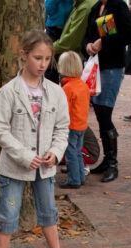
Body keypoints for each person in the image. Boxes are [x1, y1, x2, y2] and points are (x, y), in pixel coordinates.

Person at [0, 29, 82, 248]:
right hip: (15, 167)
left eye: (47, 59)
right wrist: (23, 155)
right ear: (24, 56)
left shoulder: (55, 91)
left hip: (45, 166)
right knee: (7, 214)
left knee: (48, 211)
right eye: (37, 58)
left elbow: (63, 127)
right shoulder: (8, 92)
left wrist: (56, 151)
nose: (42, 64)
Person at [82, 0, 131, 182]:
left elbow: (129, 35)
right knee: (98, 112)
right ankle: (107, 159)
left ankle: (112, 162)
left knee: (105, 111)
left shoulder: (118, 6)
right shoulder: (96, 8)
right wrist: (88, 45)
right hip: (95, 65)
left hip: (112, 66)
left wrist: (103, 42)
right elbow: (86, 35)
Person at [58, 50, 91, 189]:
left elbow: (63, 110)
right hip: (82, 124)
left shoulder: (67, 88)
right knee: (77, 152)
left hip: (72, 125)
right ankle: (80, 177)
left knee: (71, 153)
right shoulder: (82, 85)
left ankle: (74, 180)